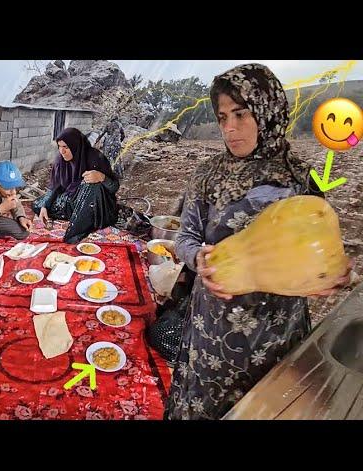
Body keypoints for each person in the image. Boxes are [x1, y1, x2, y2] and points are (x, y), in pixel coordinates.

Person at [165, 63, 352, 420]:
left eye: (240, 114)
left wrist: (330, 276)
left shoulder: (300, 180)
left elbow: (318, 253)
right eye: (222, 117)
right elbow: (185, 237)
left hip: (273, 333)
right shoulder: (207, 174)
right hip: (212, 329)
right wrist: (198, 259)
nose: (229, 129)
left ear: (268, 112)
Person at [33, 127, 120, 244]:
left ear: (75, 146)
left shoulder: (95, 157)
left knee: (90, 185)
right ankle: (79, 216)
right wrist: (45, 206)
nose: (61, 151)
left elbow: (114, 187)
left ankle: (74, 234)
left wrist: (101, 177)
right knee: (38, 205)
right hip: (72, 199)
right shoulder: (60, 161)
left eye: (66, 147)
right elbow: (55, 187)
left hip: (95, 203)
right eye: (59, 146)